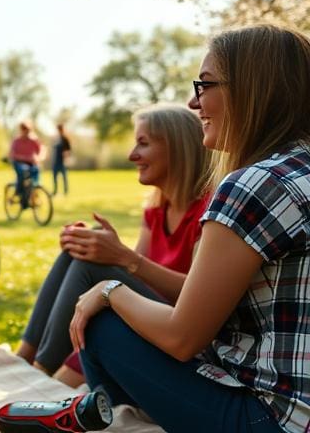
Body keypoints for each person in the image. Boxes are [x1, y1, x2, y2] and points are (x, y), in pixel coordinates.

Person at [70, 24, 310, 433]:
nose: (192, 102)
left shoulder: (256, 184)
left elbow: (183, 337)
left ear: (253, 90)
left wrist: (110, 291)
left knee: (100, 325)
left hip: (273, 419)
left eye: (205, 85)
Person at [17, 104, 210, 387]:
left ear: (178, 149)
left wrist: (121, 256)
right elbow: (134, 274)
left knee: (90, 261)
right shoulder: (157, 210)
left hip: (176, 329)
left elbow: (200, 296)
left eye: (143, 144)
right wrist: (98, 246)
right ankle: (25, 358)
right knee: (84, 248)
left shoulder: (207, 211)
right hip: (146, 314)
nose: (132, 155)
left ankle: (40, 372)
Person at [9, 120, 43, 207]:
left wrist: (38, 158)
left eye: (28, 130)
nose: (26, 132)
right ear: (21, 130)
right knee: (23, 171)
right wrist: (25, 158)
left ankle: (34, 192)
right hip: (18, 162)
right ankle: (18, 193)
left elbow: (41, 150)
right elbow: (12, 154)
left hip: (30, 163)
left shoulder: (33, 140)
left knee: (36, 169)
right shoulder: (16, 141)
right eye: (24, 130)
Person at [51, 122, 72, 195]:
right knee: (54, 177)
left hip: (62, 161)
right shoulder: (56, 138)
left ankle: (66, 191)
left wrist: (66, 155)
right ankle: (55, 191)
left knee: (64, 177)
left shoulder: (65, 138)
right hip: (55, 161)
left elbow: (69, 149)